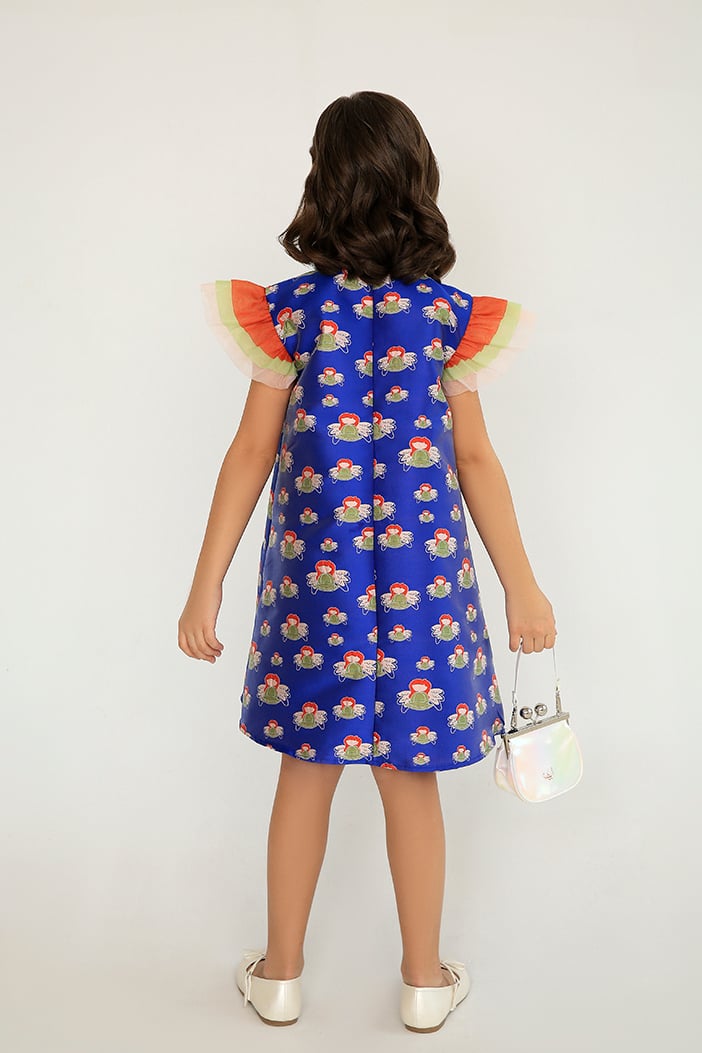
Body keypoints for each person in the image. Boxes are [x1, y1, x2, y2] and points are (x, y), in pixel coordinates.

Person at [178, 90, 557, 1032]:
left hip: (320, 595)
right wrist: (522, 583)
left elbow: (250, 453)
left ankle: (279, 975)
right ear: (419, 182)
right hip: (425, 596)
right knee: (409, 777)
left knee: (305, 771)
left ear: (323, 184)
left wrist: (206, 580)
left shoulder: (293, 315)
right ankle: (425, 982)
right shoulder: (447, 320)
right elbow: (477, 462)